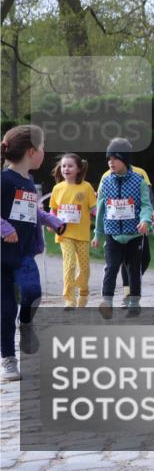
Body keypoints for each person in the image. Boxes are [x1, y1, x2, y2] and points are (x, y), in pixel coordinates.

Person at [1, 125, 66, 381]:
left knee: (33, 292)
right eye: (42, 148)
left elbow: (31, 211)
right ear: (31, 151)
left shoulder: (28, 182)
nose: (44, 152)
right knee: (5, 310)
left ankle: (26, 322)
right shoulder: (3, 180)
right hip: (1, 258)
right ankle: (8, 359)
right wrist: (4, 228)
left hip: (24, 254)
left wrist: (51, 220)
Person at [93, 137, 154, 317]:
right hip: (113, 234)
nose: (110, 162)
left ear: (125, 159)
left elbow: (146, 205)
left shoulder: (138, 181)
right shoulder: (106, 182)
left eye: (115, 158)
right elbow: (101, 209)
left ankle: (134, 302)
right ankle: (107, 302)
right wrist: (97, 234)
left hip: (134, 235)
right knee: (111, 267)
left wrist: (145, 221)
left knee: (134, 269)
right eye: (108, 159)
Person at [49, 153, 98, 309]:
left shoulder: (86, 187)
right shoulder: (57, 188)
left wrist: (105, 217)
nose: (66, 169)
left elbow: (94, 209)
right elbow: (53, 210)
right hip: (65, 234)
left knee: (84, 268)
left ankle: (83, 291)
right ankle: (69, 298)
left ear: (78, 169)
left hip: (82, 235)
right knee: (69, 265)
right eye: (63, 166)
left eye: (70, 166)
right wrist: (51, 222)